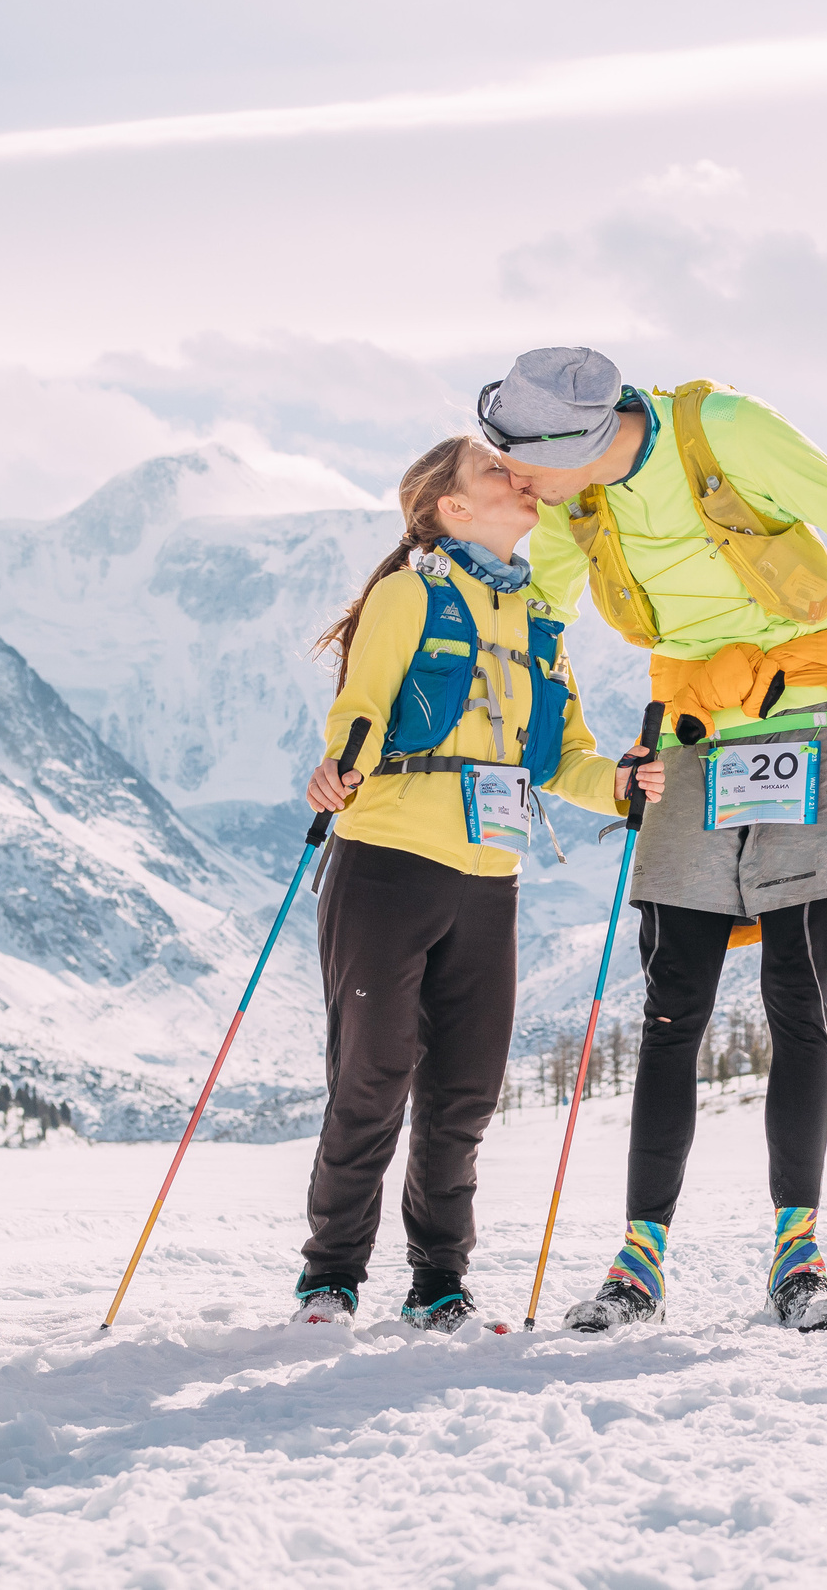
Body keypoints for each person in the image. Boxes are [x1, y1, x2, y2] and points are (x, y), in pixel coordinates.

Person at [484, 347, 827, 1333]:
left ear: (584, 439)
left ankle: (798, 1256)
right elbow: (544, 626)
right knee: (671, 1003)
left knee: (794, 992)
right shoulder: (573, 510)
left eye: (521, 458)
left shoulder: (723, 431)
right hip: (689, 732)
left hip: (803, 714)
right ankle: (637, 1261)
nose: (513, 479)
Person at [291, 433, 663, 1332]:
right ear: (450, 508)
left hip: (491, 875)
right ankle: (330, 1277)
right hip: (387, 860)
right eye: (495, 469)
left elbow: (564, 755)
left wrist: (615, 779)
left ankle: (438, 1283)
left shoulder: (538, 614)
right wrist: (341, 762)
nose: (518, 477)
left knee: (464, 1093)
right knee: (371, 1079)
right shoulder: (409, 589)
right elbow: (365, 702)